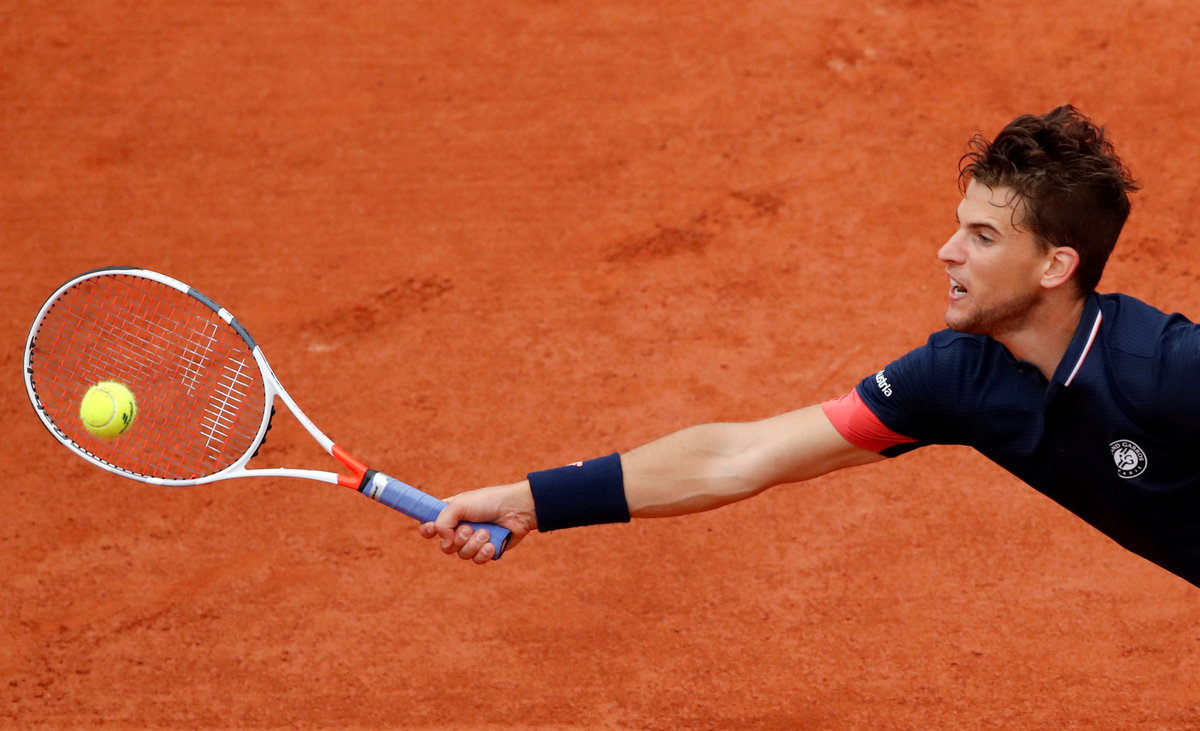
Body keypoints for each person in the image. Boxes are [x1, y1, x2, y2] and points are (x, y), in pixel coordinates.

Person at [419, 106, 1200, 588]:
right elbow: (739, 456)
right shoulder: (958, 378)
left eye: (984, 236)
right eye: (959, 225)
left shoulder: (1165, 369)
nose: (947, 251)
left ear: (1056, 266)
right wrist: (529, 500)